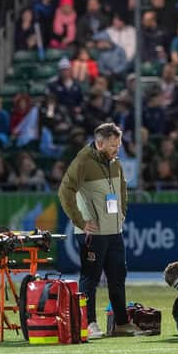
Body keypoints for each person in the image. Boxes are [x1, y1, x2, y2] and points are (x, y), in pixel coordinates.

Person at [58, 123, 146, 338]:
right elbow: (64, 191)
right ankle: (88, 323)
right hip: (92, 233)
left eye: (118, 144)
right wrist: (79, 221)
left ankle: (122, 323)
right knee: (90, 278)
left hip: (114, 232)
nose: (117, 149)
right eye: (113, 145)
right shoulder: (83, 162)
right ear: (99, 143)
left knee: (118, 278)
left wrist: (122, 212)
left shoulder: (115, 162)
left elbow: (123, 189)